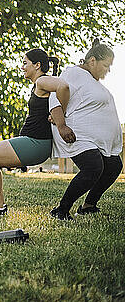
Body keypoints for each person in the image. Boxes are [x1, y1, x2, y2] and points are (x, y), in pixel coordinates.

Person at [0, 48, 71, 217]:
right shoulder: (39, 84)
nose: (22, 67)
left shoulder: (42, 81)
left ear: (37, 65)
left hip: (36, 143)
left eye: (25, 63)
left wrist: (61, 113)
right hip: (33, 142)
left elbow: (63, 86)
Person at [49, 41, 122, 220]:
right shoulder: (74, 73)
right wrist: (61, 126)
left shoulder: (91, 81)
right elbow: (54, 97)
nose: (108, 70)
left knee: (113, 166)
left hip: (93, 138)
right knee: (93, 167)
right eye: (106, 65)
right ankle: (61, 210)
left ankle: (88, 206)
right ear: (92, 60)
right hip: (75, 134)